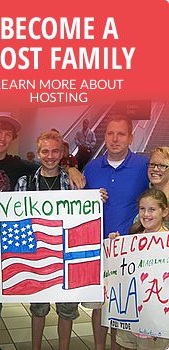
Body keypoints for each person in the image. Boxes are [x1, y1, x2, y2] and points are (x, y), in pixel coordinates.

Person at [0, 112, 85, 350]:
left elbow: (50, 162)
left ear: (13, 137)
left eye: (8, 133)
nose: (2, 137)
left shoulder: (19, 165)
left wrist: (72, 166)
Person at [82, 115, 149, 350]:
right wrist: (71, 170)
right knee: (99, 306)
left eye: (121, 134)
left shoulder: (143, 167)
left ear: (131, 137)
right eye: (110, 133)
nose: (115, 138)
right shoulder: (91, 167)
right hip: (97, 249)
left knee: (122, 307)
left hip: (128, 251)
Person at [15, 130, 79, 350]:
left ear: (62, 152)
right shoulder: (25, 183)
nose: (50, 156)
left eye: (54, 151)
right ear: (38, 152)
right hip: (37, 256)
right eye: (45, 151)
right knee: (38, 308)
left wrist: (97, 199)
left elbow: (84, 213)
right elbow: (15, 216)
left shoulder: (73, 182)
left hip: (66, 255)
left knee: (67, 310)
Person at [112, 188, 169, 350]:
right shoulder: (133, 237)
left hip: (157, 320)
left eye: (152, 209)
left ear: (164, 212)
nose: (146, 214)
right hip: (131, 316)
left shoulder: (167, 242)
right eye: (142, 209)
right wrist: (115, 247)